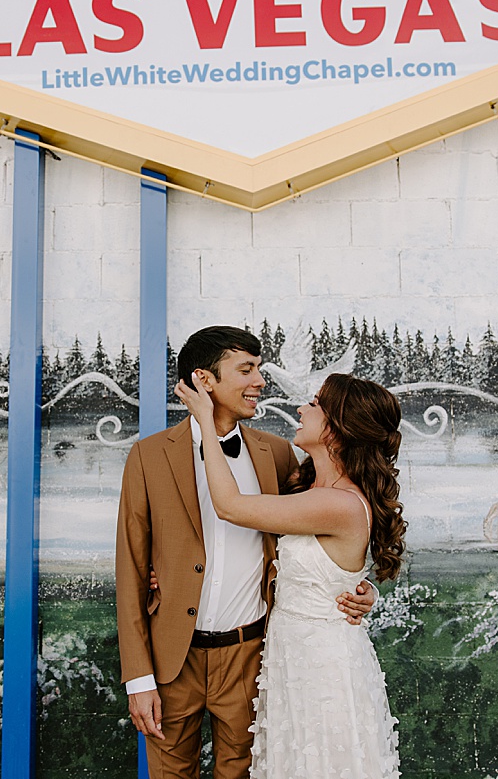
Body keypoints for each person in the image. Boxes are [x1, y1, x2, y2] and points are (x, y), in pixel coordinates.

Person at [116, 326, 377, 779]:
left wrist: (359, 586)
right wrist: (138, 678)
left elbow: (330, 531)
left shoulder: (277, 454)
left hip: (251, 657)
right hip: (172, 660)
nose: (260, 380)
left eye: (258, 368)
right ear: (204, 380)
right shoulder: (148, 456)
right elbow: (131, 570)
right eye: (247, 369)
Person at [174, 370, 404, 778]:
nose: (301, 408)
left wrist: (205, 420)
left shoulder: (339, 504)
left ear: (336, 430)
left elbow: (229, 506)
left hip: (321, 667)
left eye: (314, 404)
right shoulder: (313, 491)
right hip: (291, 657)